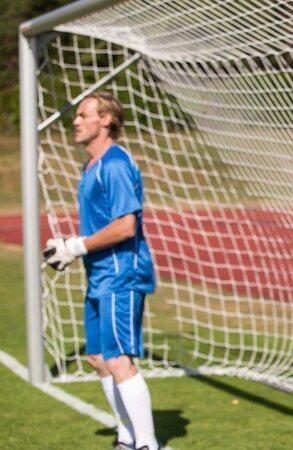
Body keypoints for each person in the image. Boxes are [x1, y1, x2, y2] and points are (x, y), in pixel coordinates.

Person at [43, 92, 159, 450]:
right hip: (100, 275)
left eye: (83, 114)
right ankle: (126, 437)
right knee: (97, 358)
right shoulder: (90, 166)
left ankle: (147, 444)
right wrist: (73, 246)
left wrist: (77, 246)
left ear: (106, 119)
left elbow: (126, 226)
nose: (75, 121)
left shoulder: (115, 164)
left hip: (121, 275)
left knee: (119, 359)